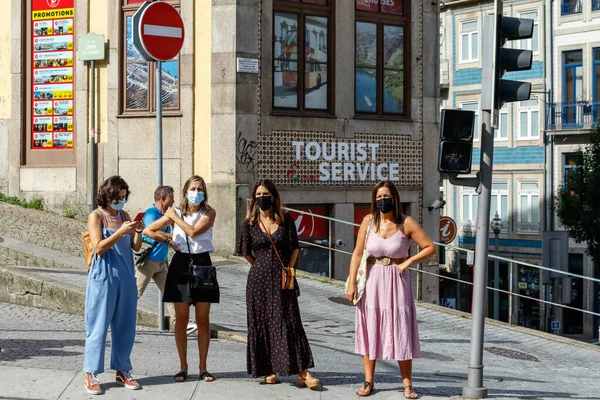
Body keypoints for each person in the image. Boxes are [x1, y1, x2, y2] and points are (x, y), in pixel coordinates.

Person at [345, 180, 436, 398]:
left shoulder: (407, 223)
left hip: (397, 281)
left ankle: (407, 384)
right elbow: (357, 253)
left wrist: (408, 262)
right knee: (370, 327)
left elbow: (430, 248)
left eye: (385, 196)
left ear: (394, 198)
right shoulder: (368, 221)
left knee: (400, 328)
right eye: (378, 197)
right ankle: (368, 381)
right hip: (372, 280)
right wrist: (350, 283)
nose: (382, 200)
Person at [237, 179, 320, 388]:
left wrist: (288, 269)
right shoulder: (249, 224)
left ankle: (303, 372)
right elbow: (245, 251)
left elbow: (294, 247)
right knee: (263, 322)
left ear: (273, 197)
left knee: (289, 321)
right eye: (258, 195)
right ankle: (268, 369)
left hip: (282, 279)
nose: (261, 198)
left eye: (265, 194)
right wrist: (260, 266)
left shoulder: (286, 219)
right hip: (258, 281)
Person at [145, 175, 218, 382]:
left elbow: (194, 232)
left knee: (203, 320)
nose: (196, 192)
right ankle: (183, 367)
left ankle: (203, 367)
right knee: (181, 319)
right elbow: (150, 230)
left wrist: (175, 219)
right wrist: (169, 240)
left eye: (200, 188)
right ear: (186, 191)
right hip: (181, 263)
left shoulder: (208, 212)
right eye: (193, 188)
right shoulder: (176, 213)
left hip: (202, 262)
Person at [83, 175, 143, 395]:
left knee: (126, 326)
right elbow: (98, 247)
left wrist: (137, 230)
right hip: (104, 276)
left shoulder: (124, 215)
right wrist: (120, 232)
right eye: (119, 196)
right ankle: (90, 373)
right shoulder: (96, 216)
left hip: (126, 276)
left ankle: (122, 369)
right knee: (97, 326)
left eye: (124, 197)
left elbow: (136, 247)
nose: (121, 200)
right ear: (108, 194)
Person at [137, 186, 198, 335]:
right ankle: (121, 319)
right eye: (172, 198)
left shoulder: (166, 214)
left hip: (162, 262)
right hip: (149, 261)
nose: (174, 201)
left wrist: (173, 229)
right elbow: (148, 233)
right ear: (163, 198)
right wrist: (170, 239)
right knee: (135, 293)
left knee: (172, 294)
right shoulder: (151, 213)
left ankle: (181, 325)